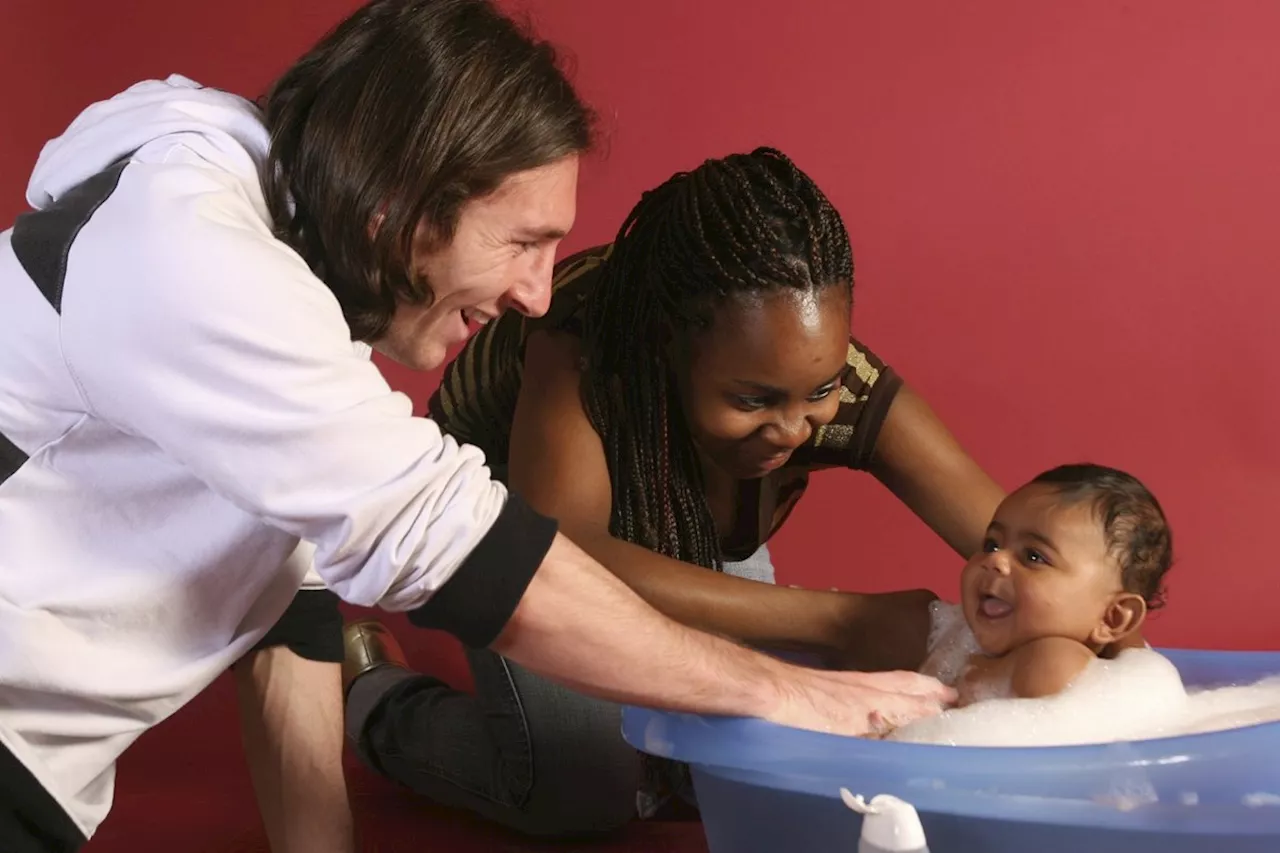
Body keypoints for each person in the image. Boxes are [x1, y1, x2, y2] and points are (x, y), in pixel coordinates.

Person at [0, 3, 952, 853]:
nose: (537, 291)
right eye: (524, 242)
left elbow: (282, 618)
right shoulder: (192, 257)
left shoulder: (273, 284)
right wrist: (789, 688)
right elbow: (452, 545)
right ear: (401, 211)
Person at [337, 146, 1007, 836]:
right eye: (754, 398)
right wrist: (840, 621)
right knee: (583, 785)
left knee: (745, 754)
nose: (793, 427)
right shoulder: (580, 339)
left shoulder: (828, 385)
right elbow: (566, 552)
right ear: (666, 346)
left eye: (822, 388)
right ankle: (376, 696)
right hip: (518, 520)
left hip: (680, 528)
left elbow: (1019, 541)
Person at [921, 463, 1173, 707]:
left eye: (1034, 556)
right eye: (992, 544)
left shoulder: (1059, 663)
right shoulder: (958, 637)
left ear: (1112, 618)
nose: (995, 559)